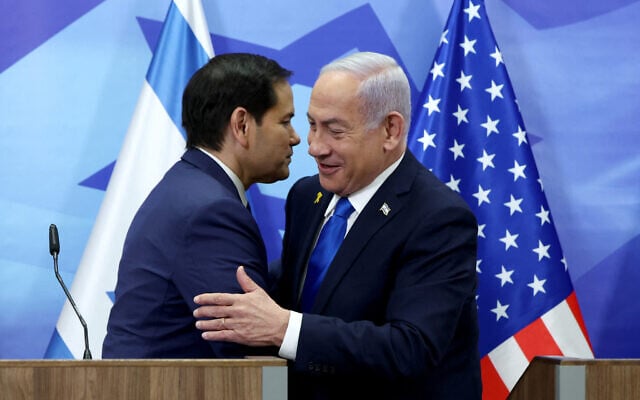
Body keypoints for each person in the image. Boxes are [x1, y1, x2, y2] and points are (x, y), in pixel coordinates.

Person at [192, 51, 481, 399]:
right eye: (313, 124)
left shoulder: (438, 218)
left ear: (390, 130)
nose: (314, 147)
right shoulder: (306, 197)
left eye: (335, 130)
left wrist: (285, 328)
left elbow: (411, 348)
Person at [102, 53, 300, 358]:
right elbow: (248, 347)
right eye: (285, 122)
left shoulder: (190, 187)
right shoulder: (210, 211)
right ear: (242, 125)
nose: (295, 138)